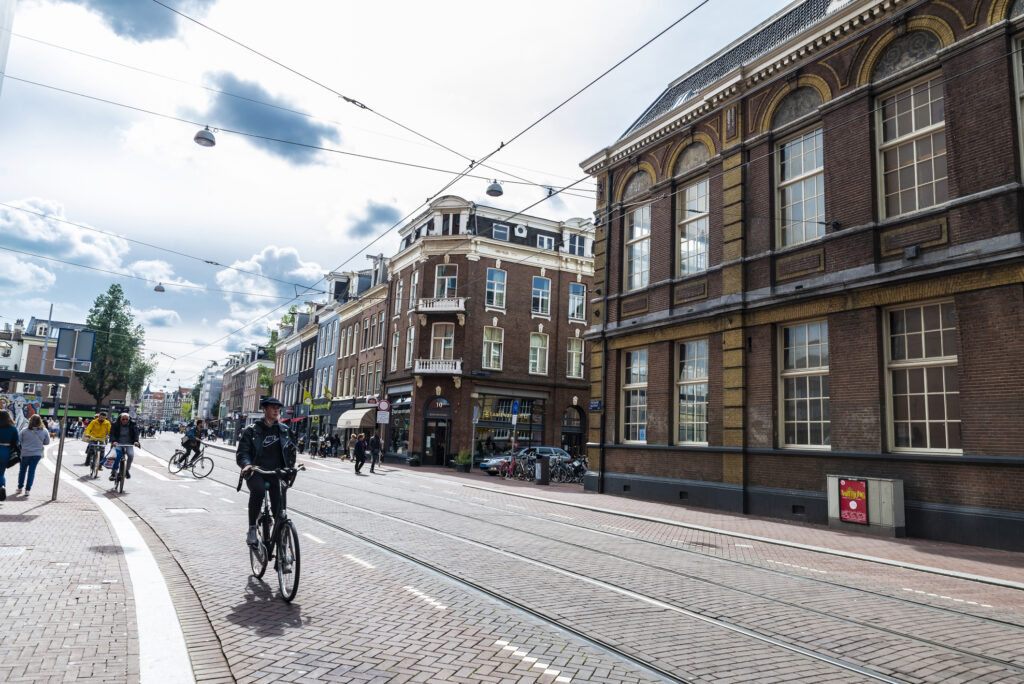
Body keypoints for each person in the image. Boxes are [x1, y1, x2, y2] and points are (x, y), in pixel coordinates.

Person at [236, 397, 295, 546]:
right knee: (258, 491)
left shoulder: (284, 430)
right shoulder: (252, 430)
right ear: (264, 409)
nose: (276, 410)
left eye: (278, 408)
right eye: (273, 407)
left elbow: (291, 451)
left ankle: (281, 544)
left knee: (280, 508)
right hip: (257, 472)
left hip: (277, 473)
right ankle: (252, 529)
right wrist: (247, 465)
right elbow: (242, 452)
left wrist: (291, 467)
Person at [16, 414, 50, 497]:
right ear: (40, 421)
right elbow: (47, 442)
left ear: (30, 421)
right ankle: (27, 490)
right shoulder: (44, 431)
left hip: (25, 453)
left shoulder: (24, 431)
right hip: (37, 454)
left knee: (22, 470)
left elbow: (18, 441)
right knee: (32, 471)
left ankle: (20, 487)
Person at [109, 413, 141, 481]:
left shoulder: (133, 424)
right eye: (123, 419)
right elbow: (112, 433)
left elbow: (136, 433)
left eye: (127, 419)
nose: (125, 421)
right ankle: (113, 472)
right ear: (120, 419)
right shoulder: (115, 424)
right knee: (116, 456)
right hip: (118, 443)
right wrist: (114, 441)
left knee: (131, 455)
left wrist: (136, 441)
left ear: (129, 419)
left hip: (129, 443)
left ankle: (126, 470)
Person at [0, 409, 21, 501]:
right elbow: (17, 441)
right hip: (6, 451)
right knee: (1, 472)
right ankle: (2, 486)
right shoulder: (13, 428)